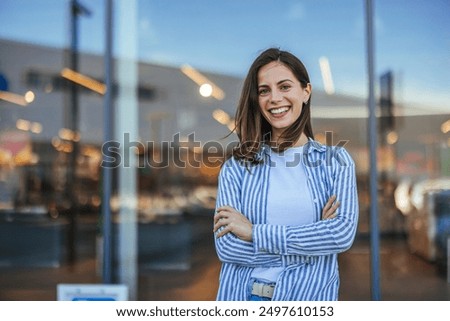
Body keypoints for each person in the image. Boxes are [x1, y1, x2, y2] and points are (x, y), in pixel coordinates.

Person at [213, 47, 359, 301]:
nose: (274, 98)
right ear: (256, 100)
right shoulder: (236, 168)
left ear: (306, 92)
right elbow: (227, 248)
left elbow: (340, 235)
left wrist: (255, 233)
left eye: (284, 86)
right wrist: (314, 240)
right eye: (264, 90)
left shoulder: (335, 161)